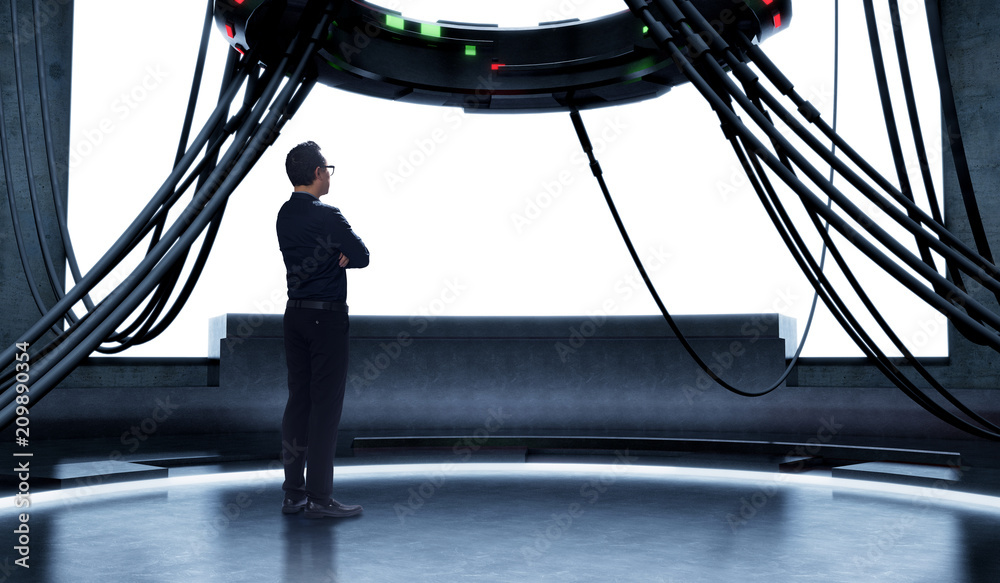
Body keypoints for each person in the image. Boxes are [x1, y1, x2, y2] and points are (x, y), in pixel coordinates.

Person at [276, 141, 369, 518]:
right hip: (326, 317)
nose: (329, 174)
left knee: (298, 402)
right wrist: (339, 255)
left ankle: (293, 494)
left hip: (294, 315)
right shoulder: (329, 215)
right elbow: (362, 255)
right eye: (328, 168)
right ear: (318, 173)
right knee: (325, 408)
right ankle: (319, 497)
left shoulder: (283, 215)